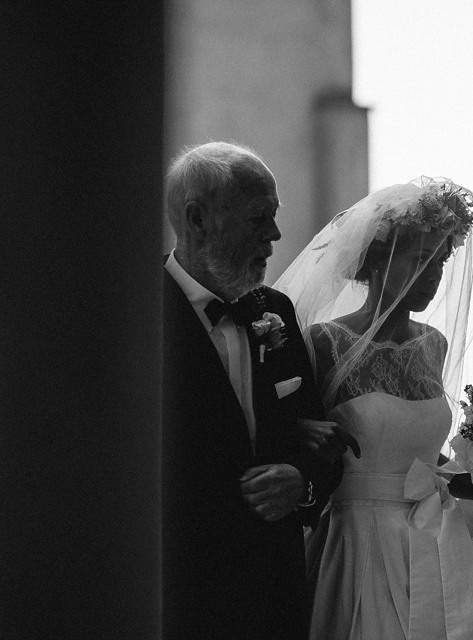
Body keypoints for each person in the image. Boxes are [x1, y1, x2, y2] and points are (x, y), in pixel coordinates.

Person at [275, 176, 473, 640]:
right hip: (359, 541)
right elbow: (291, 433)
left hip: (434, 539)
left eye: (442, 260)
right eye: (422, 259)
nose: (435, 275)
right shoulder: (327, 342)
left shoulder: (434, 345)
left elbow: (423, 454)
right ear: (378, 260)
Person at [161, 141, 358, 640]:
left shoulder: (277, 312)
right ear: (197, 219)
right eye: (258, 218)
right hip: (178, 593)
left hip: (274, 593)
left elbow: (326, 445)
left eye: (274, 216)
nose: (274, 235)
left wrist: (301, 480)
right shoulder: (132, 321)